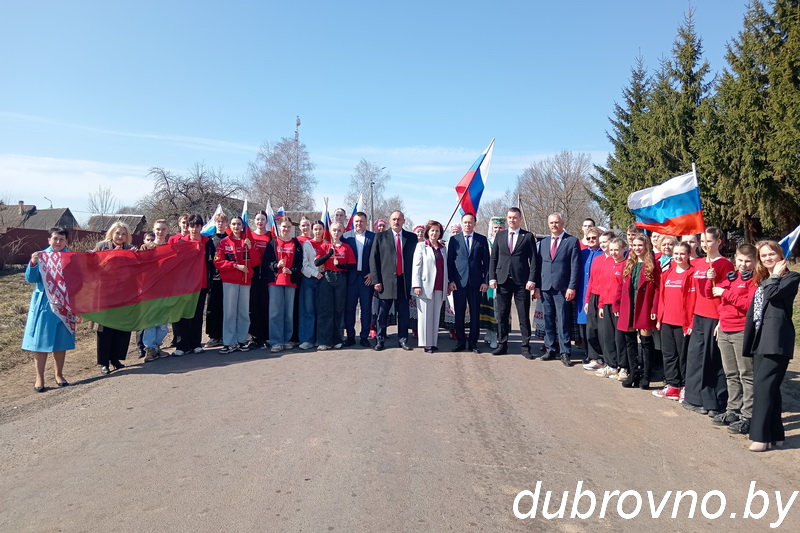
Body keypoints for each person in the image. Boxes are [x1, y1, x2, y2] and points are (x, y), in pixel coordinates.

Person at [742, 241, 799, 452]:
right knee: (770, 388)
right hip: (760, 338)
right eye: (763, 255)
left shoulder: (791, 277)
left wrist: (775, 276)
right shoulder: (764, 279)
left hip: (776, 340)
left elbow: (773, 295)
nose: (767, 258)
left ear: (780, 255)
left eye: (771, 254)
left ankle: (760, 437)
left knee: (763, 387)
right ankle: (776, 434)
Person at [683, 227, 734, 415]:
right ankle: (694, 398)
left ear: (718, 242)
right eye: (703, 241)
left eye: (709, 241)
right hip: (698, 315)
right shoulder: (698, 263)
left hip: (715, 316)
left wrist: (722, 320)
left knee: (712, 360)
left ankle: (714, 403)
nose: (705, 245)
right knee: (696, 357)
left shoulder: (724, 264)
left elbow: (726, 294)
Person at [711, 243, 757, 434]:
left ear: (755, 262)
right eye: (740, 260)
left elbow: (749, 305)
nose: (743, 265)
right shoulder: (730, 278)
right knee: (731, 374)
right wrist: (711, 280)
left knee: (746, 374)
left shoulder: (755, 281)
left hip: (741, 331)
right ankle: (733, 410)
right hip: (724, 329)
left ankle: (748, 415)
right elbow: (715, 298)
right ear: (735, 259)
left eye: (748, 261)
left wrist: (726, 293)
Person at [23, 227, 75, 392]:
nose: (58, 242)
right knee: (40, 342)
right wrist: (33, 263)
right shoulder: (41, 256)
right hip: (45, 305)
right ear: (49, 240)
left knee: (61, 342)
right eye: (55, 239)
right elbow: (31, 279)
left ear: (66, 241)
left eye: (62, 239)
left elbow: (80, 280)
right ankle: (39, 378)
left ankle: (59, 374)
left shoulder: (72, 258)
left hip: (64, 305)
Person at [489, 207, 537, 358]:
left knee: (523, 315)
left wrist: (532, 279)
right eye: (510, 217)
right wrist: (492, 277)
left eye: (515, 217)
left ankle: (525, 347)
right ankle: (502, 344)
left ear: (520, 219)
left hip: (521, 282)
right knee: (502, 315)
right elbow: (494, 258)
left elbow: (534, 260)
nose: (512, 220)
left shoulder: (527, 236)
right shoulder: (500, 235)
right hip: (502, 280)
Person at [613, 233, 660, 388]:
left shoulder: (654, 264)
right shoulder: (629, 263)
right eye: (634, 245)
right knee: (630, 341)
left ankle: (646, 375)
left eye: (640, 245)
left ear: (646, 246)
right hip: (628, 306)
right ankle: (633, 373)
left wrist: (654, 308)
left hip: (644, 305)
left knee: (646, 341)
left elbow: (658, 289)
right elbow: (621, 286)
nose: (637, 248)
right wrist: (617, 304)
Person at [534, 213, 581, 366]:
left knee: (563, 321)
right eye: (551, 223)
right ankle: (550, 349)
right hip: (545, 287)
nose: (554, 225)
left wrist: (572, 287)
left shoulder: (572, 241)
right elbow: (538, 266)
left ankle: (565, 352)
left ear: (562, 223)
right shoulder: (543, 242)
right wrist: (537, 287)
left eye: (556, 222)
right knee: (548, 320)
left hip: (562, 288)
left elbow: (575, 267)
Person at [653, 242, 696, 400]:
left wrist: (691, 322)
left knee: (683, 356)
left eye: (682, 253)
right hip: (667, 321)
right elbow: (662, 298)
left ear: (688, 255)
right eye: (676, 253)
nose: (678, 256)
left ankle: (684, 386)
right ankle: (673, 385)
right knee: (669, 354)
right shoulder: (667, 273)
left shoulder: (692, 274)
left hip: (683, 323)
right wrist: (659, 318)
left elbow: (695, 300)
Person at [370, 210, 416, 351]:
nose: (396, 222)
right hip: (386, 282)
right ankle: (380, 340)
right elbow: (373, 259)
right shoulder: (380, 236)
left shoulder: (411, 237)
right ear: (390, 221)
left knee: (403, 313)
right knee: (382, 313)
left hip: (404, 281)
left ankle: (403, 340)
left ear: (404, 221)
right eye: (394, 219)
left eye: (399, 219)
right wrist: (376, 281)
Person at [93, 221, 136, 375]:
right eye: (118, 233)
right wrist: (112, 254)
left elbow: (136, 269)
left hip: (124, 294)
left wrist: (137, 255)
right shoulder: (101, 246)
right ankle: (104, 362)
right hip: (105, 294)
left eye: (124, 234)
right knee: (105, 328)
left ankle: (116, 359)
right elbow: (93, 267)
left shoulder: (130, 249)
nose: (120, 236)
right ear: (112, 233)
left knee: (121, 327)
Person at [213, 216, 261, 354]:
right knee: (229, 313)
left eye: (238, 224)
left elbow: (256, 262)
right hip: (230, 281)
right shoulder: (224, 242)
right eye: (233, 224)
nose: (236, 226)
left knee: (243, 312)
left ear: (242, 225)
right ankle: (229, 342)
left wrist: (250, 248)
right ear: (230, 225)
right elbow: (218, 262)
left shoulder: (248, 241)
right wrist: (236, 266)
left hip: (245, 281)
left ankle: (241, 340)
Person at [447, 212, 490, 353]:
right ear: (462, 223)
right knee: (459, 314)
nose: (467, 224)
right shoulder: (454, 240)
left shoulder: (481, 240)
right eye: (465, 222)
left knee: (475, 314)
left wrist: (485, 281)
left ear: (474, 223)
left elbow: (487, 263)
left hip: (476, 284)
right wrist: (451, 281)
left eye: (470, 222)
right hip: (459, 283)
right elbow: (450, 263)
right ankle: (460, 341)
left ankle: (473, 343)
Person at [174, 215, 215, 356]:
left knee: (197, 314)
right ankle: (182, 345)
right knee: (183, 314)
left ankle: (196, 344)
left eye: (197, 226)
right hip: (185, 286)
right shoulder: (181, 242)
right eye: (192, 226)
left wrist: (210, 280)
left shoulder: (208, 242)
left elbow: (212, 263)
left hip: (201, 284)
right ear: (188, 226)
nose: (194, 229)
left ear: (201, 227)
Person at [264, 217, 304, 353]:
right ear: (279, 227)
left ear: (291, 228)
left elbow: (299, 263)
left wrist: (292, 271)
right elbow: (266, 263)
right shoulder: (273, 242)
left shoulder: (296, 243)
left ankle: (286, 339)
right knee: (275, 313)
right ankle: (276, 341)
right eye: (284, 226)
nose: (286, 229)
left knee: (288, 313)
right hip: (275, 281)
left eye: (288, 227)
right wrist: (276, 265)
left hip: (290, 281)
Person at [315, 222, 356, 350]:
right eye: (334, 230)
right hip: (327, 278)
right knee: (326, 310)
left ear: (342, 232)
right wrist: (328, 255)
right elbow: (317, 262)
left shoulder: (346, 247)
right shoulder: (325, 246)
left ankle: (337, 339)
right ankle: (324, 340)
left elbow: (352, 265)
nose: (336, 233)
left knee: (338, 310)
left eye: (339, 230)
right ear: (330, 231)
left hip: (341, 278)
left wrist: (340, 265)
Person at [412, 220, 451, 353]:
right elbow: (416, 267)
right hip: (425, 286)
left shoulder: (443, 248)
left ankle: (433, 342)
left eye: (437, 231)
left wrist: (447, 283)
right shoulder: (421, 246)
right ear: (428, 232)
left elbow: (446, 267)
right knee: (425, 316)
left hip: (440, 285)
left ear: (440, 233)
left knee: (435, 316)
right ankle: (425, 343)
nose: (434, 233)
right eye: (432, 230)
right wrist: (416, 285)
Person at [140, 219, 172, 361]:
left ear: (168, 231)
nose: (160, 232)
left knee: (163, 323)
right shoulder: (146, 247)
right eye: (158, 229)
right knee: (150, 321)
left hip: (165, 290)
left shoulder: (171, 248)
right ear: (153, 230)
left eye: (163, 229)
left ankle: (157, 345)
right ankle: (150, 349)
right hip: (150, 290)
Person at [595, 237, 627, 379]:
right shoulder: (607, 263)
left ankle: (623, 367)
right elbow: (603, 286)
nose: (614, 253)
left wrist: (620, 306)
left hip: (619, 307)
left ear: (623, 249)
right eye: (611, 250)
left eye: (617, 250)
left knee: (620, 337)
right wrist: (601, 305)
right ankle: (611, 365)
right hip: (606, 305)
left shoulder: (626, 265)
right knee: (608, 337)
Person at [342, 212, 375, 347]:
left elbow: (377, 257)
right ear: (353, 222)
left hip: (366, 278)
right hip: (351, 278)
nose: (359, 224)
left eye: (361, 221)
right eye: (356, 221)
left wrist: (373, 273)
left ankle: (364, 336)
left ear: (366, 222)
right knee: (350, 308)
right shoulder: (346, 237)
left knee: (366, 309)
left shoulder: (373, 237)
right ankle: (350, 336)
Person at [580, 228, 608, 370]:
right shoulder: (585, 253)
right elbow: (589, 279)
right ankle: (592, 356)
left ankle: (603, 358)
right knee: (589, 328)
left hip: (602, 296)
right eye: (588, 238)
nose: (591, 240)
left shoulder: (605, 255)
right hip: (588, 295)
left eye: (594, 238)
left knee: (601, 329)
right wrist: (586, 299)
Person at [299, 221, 326, 349]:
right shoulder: (307, 244)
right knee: (308, 310)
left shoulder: (327, 244)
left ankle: (320, 339)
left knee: (322, 310)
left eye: (320, 229)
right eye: (315, 229)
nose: (317, 231)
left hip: (324, 280)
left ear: (323, 230)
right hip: (309, 279)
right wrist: (315, 273)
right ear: (312, 230)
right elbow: (304, 265)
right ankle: (307, 339)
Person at [204, 211, 229, 348]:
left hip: (227, 278)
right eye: (218, 221)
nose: (220, 224)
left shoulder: (229, 239)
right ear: (215, 223)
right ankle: (214, 336)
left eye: (222, 221)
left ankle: (225, 335)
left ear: (226, 223)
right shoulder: (210, 240)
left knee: (225, 307)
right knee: (212, 308)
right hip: (213, 279)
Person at [248, 211, 272, 349]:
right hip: (253, 274)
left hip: (267, 274)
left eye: (262, 219)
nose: (260, 222)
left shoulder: (271, 236)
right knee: (253, 306)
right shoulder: (250, 235)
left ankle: (266, 336)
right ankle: (254, 336)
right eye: (257, 219)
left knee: (265, 305)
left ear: (266, 221)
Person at [481, 217, 505, 349]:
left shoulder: (506, 241)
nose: (498, 230)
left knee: (499, 308)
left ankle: (497, 335)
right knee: (489, 306)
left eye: (500, 227)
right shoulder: (487, 242)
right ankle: (489, 332)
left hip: (502, 278)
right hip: (489, 279)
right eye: (495, 227)